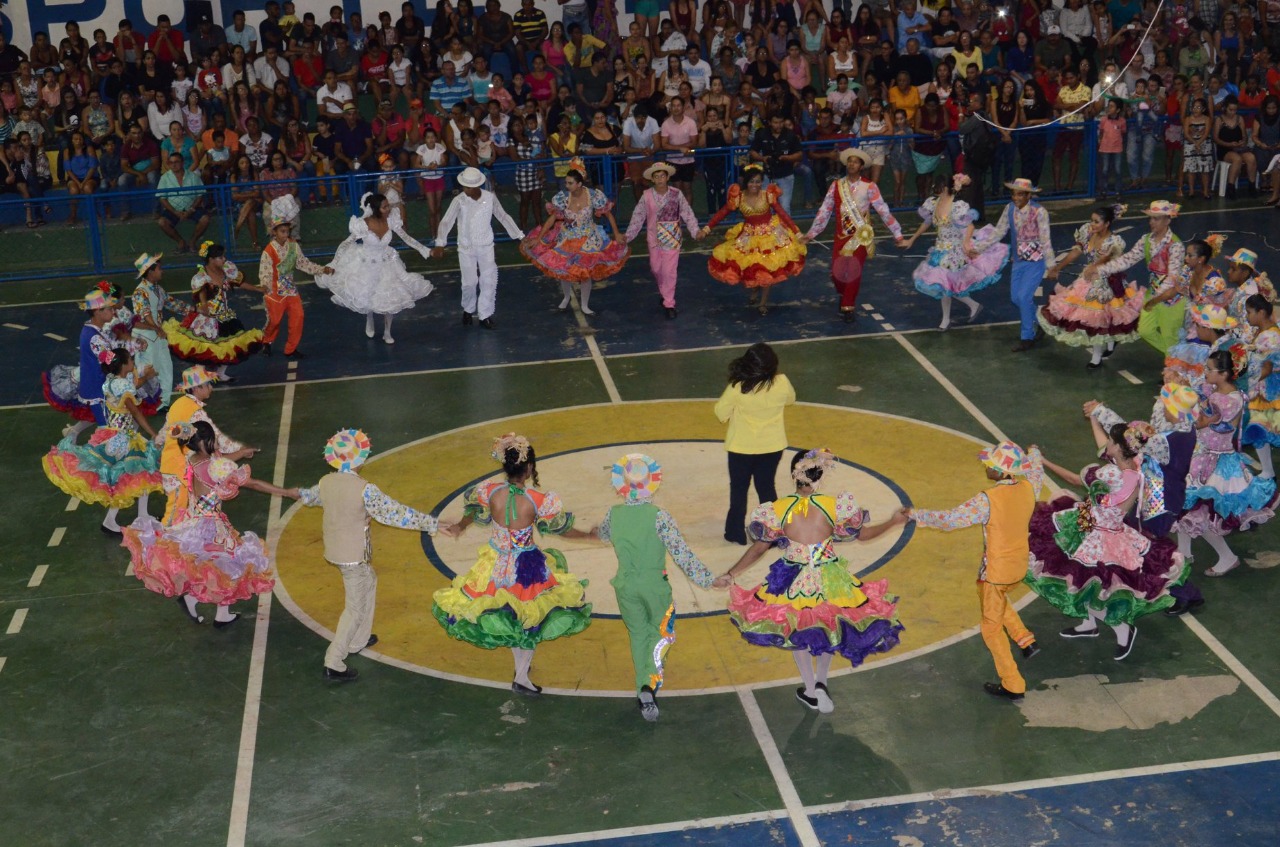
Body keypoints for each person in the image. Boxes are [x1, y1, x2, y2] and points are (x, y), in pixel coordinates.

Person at [713, 449, 906, 712]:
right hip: (830, 575)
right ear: (820, 475)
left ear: (794, 475)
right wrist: (894, 521)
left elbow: (758, 548)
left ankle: (811, 689)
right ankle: (821, 682)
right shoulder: (833, 505)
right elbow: (864, 535)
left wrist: (731, 574)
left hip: (792, 579)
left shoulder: (778, 509)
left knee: (799, 628)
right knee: (828, 623)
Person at [433, 433, 595, 695]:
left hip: (494, 563)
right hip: (526, 567)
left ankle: (522, 672)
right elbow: (562, 529)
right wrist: (588, 536)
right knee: (529, 616)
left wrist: (460, 526)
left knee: (510, 613)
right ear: (529, 468)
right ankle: (521, 677)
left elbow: (472, 510)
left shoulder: (490, 492)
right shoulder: (537, 500)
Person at [298, 429, 448, 682]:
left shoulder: (325, 482)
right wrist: (431, 523)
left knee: (369, 581)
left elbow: (309, 497)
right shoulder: (364, 489)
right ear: (360, 459)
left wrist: (292, 492)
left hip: (336, 549)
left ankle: (358, 639)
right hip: (352, 555)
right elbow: (397, 514)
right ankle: (334, 661)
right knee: (354, 608)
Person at [906, 441, 1045, 701]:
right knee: (993, 597)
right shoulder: (1029, 487)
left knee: (991, 628)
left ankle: (1013, 684)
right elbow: (1037, 469)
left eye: (990, 464)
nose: (985, 466)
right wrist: (1034, 451)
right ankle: (1025, 639)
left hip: (996, 571)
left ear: (1002, 472)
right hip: (1019, 565)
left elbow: (950, 519)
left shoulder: (988, 500)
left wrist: (917, 514)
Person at [1027, 435, 1187, 661]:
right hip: (1101, 527)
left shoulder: (1112, 474)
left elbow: (1075, 480)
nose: (1106, 443)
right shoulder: (1133, 466)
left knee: (1084, 583)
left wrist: (1041, 460)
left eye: (1111, 440)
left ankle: (1123, 630)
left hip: (1100, 534)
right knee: (1080, 581)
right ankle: (1088, 624)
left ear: (1119, 447)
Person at [125, 420, 297, 629]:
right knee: (226, 564)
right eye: (213, 439)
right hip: (210, 526)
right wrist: (286, 492)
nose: (216, 444)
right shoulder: (213, 467)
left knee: (217, 565)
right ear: (204, 441)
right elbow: (251, 483)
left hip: (195, 519)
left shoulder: (193, 458)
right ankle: (198, 603)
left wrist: (241, 453)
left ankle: (212, 610)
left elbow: (217, 462)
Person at [591, 453, 712, 720]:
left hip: (625, 584)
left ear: (621, 485)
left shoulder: (614, 513)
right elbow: (682, 554)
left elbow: (602, 534)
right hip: (654, 586)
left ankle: (642, 686)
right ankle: (649, 683)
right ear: (652, 485)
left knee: (638, 634)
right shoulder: (659, 516)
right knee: (662, 633)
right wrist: (709, 579)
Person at [1084, 389, 1205, 617]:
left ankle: (1184, 593)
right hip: (1155, 498)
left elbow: (1129, 436)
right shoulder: (1180, 426)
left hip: (1159, 503)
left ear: (1175, 411)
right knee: (1145, 546)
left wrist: (1099, 411)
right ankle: (1172, 590)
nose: (1161, 407)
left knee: (1151, 549)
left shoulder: (1170, 441)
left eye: (1166, 406)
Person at [1179, 349, 1279, 577]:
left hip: (1217, 464)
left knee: (1199, 513)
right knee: (1186, 505)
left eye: (1209, 369)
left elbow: (1202, 423)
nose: (1204, 372)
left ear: (1224, 374)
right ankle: (1183, 553)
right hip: (1201, 456)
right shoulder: (1213, 391)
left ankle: (1227, 556)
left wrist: (1185, 403)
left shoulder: (1230, 401)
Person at [43, 347, 161, 535]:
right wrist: (153, 434)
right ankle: (117, 519)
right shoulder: (122, 386)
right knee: (134, 473)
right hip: (123, 439)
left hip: (113, 434)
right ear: (124, 365)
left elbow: (131, 388)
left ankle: (140, 516)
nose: (133, 362)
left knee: (136, 473)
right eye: (130, 360)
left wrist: (144, 378)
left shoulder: (112, 380)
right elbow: (136, 412)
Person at [800, 148, 905, 322]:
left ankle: (848, 307)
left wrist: (898, 234)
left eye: (855, 162)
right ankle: (844, 294)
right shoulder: (836, 186)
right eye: (850, 161)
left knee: (853, 272)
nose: (851, 164)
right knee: (837, 274)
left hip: (860, 237)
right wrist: (811, 234)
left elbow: (883, 211)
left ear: (861, 166)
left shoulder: (869, 186)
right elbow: (824, 211)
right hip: (841, 237)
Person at [319, 192, 434, 344]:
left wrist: (426, 250)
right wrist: (334, 263)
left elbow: (406, 238)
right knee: (368, 295)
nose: (389, 209)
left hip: (387, 263)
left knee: (390, 297)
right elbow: (345, 243)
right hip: (367, 264)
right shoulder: (363, 224)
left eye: (388, 206)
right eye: (385, 207)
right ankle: (369, 317)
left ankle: (387, 332)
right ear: (376, 209)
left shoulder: (391, 220)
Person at [520, 157, 629, 316]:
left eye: (570, 183)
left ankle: (585, 305)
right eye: (566, 182)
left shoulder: (593, 195)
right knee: (564, 269)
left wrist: (617, 233)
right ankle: (566, 297)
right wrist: (538, 238)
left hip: (588, 239)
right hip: (567, 238)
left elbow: (608, 214)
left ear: (579, 183)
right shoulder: (563, 198)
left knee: (585, 272)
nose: (567, 185)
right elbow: (552, 219)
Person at [1039, 205, 1143, 368]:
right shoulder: (1087, 231)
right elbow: (1076, 252)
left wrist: (1093, 268)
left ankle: (1097, 356)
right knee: (1092, 316)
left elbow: (1104, 261)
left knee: (1099, 317)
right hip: (1087, 279)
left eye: (1096, 222)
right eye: (1092, 220)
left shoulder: (1114, 242)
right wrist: (1058, 268)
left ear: (1107, 224)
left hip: (1106, 281)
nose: (1092, 224)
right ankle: (1108, 344)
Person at [903, 173, 1009, 331]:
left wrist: (966, 243)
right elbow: (927, 222)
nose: (935, 189)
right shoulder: (934, 203)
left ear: (946, 187)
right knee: (948, 285)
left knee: (946, 284)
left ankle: (946, 320)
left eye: (938, 186)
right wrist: (912, 239)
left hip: (954, 250)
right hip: (940, 249)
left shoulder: (957, 205)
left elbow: (970, 226)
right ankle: (973, 305)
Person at [714, 343, 795, 545]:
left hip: (741, 448)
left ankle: (735, 532)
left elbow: (720, 413)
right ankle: (773, 532)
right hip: (772, 446)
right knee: (767, 487)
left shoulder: (737, 387)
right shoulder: (782, 382)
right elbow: (790, 400)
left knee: (739, 490)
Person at [700, 164, 806, 316]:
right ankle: (755, 289)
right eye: (751, 181)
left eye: (758, 181)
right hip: (748, 237)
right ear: (746, 182)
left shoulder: (768, 195)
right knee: (753, 267)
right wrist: (706, 229)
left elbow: (782, 213)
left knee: (768, 269)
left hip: (771, 236)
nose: (755, 185)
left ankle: (763, 303)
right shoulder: (738, 197)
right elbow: (722, 213)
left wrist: (797, 233)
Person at [157, 366, 256, 524]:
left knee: (180, 508)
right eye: (208, 384)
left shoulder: (178, 404)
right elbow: (217, 437)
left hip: (171, 464)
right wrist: (241, 449)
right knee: (175, 511)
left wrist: (158, 443)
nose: (210, 388)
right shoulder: (196, 413)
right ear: (197, 388)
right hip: (178, 468)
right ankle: (166, 537)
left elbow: (165, 431)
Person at [1087, 199, 1186, 354]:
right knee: (1145, 330)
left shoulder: (1176, 245)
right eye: (1151, 218)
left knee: (1170, 337)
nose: (1151, 222)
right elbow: (1127, 259)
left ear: (1168, 220)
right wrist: (1100, 270)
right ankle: (1174, 357)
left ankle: (1174, 362)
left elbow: (1172, 279)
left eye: (1156, 218)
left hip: (1171, 299)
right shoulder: (1146, 240)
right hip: (1153, 294)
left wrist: (1155, 299)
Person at [431, 167, 525, 330]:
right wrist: (440, 243)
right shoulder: (459, 200)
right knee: (469, 282)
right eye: (464, 186)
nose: (465, 190)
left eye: (468, 187)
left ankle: (485, 315)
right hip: (466, 248)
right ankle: (468, 310)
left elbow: (503, 216)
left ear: (476, 186)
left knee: (488, 280)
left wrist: (520, 236)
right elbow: (446, 221)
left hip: (486, 246)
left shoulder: (490, 198)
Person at [972, 178, 1058, 353]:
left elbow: (1045, 239)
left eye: (1020, 194)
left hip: (1036, 262)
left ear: (1028, 195)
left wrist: (1051, 266)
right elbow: (999, 231)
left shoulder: (1040, 212)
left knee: (1024, 297)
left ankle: (1027, 337)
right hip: (1018, 261)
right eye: (1014, 194)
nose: (1016, 198)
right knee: (1015, 298)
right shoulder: (1009, 209)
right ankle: (1042, 321)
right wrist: (979, 248)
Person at [165, 242, 265, 373]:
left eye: (223, 256)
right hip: (209, 319)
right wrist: (204, 307)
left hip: (225, 316)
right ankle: (201, 376)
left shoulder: (226, 270)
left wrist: (257, 289)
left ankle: (220, 374)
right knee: (204, 348)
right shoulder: (202, 277)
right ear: (211, 259)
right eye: (220, 257)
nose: (224, 259)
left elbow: (240, 283)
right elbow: (202, 295)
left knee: (230, 346)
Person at [623, 162, 703, 320]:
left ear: (667, 177)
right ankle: (664, 292)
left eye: (662, 176)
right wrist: (628, 235)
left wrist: (695, 231)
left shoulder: (676, 194)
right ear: (652, 179)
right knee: (656, 268)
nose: (660, 179)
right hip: (654, 239)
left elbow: (687, 213)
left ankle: (669, 303)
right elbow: (638, 216)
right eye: (656, 176)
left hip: (672, 238)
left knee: (669, 271)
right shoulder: (646, 196)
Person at [258, 217, 335, 358]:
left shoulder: (293, 246)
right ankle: (267, 341)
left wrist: (321, 269)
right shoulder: (268, 251)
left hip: (289, 287)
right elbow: (265, 272)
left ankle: (291, 349)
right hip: (273, 290)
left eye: (287, 231)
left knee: (298, 316)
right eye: (282, 231)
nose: (285, 234)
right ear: (274, 232)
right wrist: (265, 287)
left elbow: (303, 263)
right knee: (274, 320)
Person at [132, 252, 190, 411]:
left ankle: (162, 403)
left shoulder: (157, 289)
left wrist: (192, 310)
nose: (162, 271)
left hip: (157, 334)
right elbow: (145, 314)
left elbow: (171, 303)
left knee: (165, 367)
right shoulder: (140, 292)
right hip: (146, 337)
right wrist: (157, 329)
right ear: (150, 271)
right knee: (148, 370)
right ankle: (146, 402)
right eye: (159, 268)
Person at [156, 153, 213, 253]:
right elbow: (162, 198)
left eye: (176, 162)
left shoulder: (193, 176)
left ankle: (192, 242)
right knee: (162, 222)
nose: (174, 165)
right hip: (173, 210)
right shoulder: (164, 178)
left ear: (182, 163)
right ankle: (181, 242)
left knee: (205, 219)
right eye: (171, 163)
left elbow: (200, 195)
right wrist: (175, 212)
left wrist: (191, 210)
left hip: (193, 208)